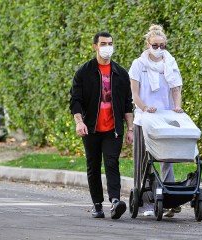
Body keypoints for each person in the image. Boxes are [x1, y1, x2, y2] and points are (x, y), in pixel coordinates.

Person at [69, 31, 133, 219]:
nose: (107, 47)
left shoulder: (120, 73)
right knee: (93, 166)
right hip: (91, 128)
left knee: (112, 163)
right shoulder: (84, 71)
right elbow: (75, 100)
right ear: (95, 46)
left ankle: (114, 201)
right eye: (103, 44)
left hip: (113, 129)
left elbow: (127, 103)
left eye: (110, 43)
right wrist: (79, 122)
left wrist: (130, 129)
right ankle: (97, 205)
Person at [129, 24, 183, 217]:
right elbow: (134, 94)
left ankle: (169, 199)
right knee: (143, 161)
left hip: (165, 117)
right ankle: (145, 202)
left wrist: (177, 106)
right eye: (155, 45)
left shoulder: (170, 63)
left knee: (166, 158)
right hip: (144, 118)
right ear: (147, 44)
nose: (159, 49)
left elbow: (176, 88)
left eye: (162, 46)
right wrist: (144, 107)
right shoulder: (138, 64)